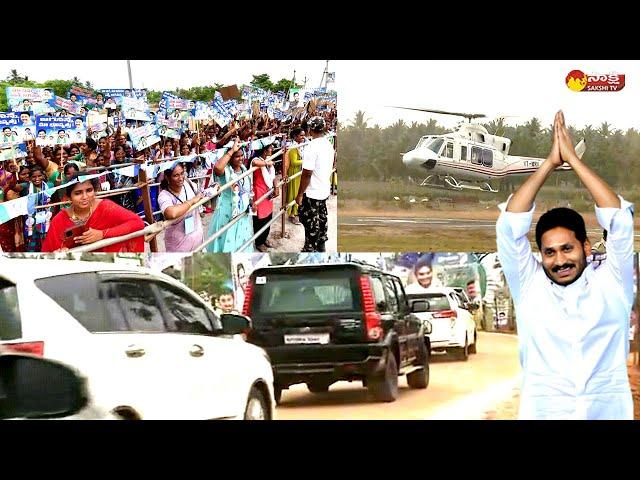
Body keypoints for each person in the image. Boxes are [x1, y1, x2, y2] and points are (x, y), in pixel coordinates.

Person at [495, 111, 634, 420]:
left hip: (607, 411)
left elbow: (620, 221)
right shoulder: (529, 286)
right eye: (550, 252)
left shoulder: (614, 283)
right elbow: (509, 227)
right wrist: (549, 164)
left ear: (586, 246)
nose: (559, 261)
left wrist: (573, 160)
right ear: (540, 255)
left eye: (567, 249)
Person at [42, 175, 145, 253]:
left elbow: (137, 223)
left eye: (89, 190)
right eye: (78, 193)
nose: (85, 197)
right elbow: (48, 253)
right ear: (68, 197)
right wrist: (60, 252)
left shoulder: (106, 207)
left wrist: (102, 234)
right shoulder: (59, 220)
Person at [205, 138, 254, 253]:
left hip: (243, 212)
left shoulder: (244, 169)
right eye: (237, 156)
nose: (240, 158)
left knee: (241, 241)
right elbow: (217, 168)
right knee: (226, 240)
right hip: (227, 212)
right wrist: (231, 150)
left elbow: (247, 190)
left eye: (242, 155)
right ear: (230, 158)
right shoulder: (225, 171)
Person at [158, 163, 218, 252]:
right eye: (176, 175)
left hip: (198, 240)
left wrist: (212, 189)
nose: (181, 178)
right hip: (178, 245)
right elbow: (171, 213)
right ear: (167, 177)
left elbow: (201, 195)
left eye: (182, 173)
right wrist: (192, 201)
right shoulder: (164, 195)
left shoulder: (188, 183)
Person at [295, 116, 333, 252]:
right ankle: (321, 247)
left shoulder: (312, 147)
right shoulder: (328, 145)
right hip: (323, 190)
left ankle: (310, 249)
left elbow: (307, 174)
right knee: (322, 221)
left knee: (311, 224)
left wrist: (299, 194)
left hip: (312, 192)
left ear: (310, 130)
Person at [250, 144, 279, 252]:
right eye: (270, 148)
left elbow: (274, 176)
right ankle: (259, 242)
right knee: (259, 219)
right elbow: (256, 163)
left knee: (268, 217)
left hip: (268, 192)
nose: (272, 149)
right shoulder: (256, 160)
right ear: (264, 150)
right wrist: (268, 162)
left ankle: (264, 238)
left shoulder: (268, 160)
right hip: (258, 193)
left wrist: (276, 187)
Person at [285, 127, 305, 225]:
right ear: (295, 136)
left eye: (303, 135)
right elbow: (293, 162)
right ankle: (291, 214)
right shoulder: (293, 147)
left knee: (297, 191)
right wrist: (305, 160)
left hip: (298, 172)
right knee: (293, 192)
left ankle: (295, 212)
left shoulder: (299, 146)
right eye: (301, 135)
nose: (303, 137)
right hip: (293, 172)